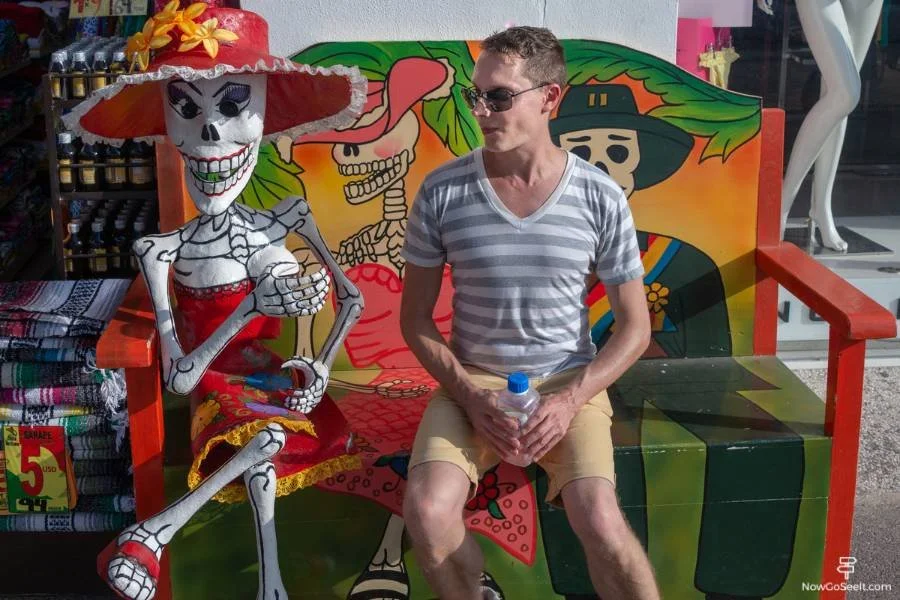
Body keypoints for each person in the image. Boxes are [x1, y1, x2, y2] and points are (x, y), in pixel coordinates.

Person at [399, 25, 660, 600]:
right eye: (476, 96)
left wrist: (569, 400)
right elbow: (414, 320)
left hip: (569, 382)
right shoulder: (441, 191)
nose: (482, 111)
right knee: (427, 512)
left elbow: (635, 328)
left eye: (499, 97)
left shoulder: (600, 196)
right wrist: (471, 396)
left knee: (601, 521)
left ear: (550, 97)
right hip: (472, 383)